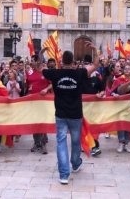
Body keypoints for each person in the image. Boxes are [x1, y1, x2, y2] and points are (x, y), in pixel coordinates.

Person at [42, 45, 99, 185]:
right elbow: (96, 64)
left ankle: (63, 175)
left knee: (61, 143)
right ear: (73, 62)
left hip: (61, 114)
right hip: (75, 114)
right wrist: (94, 49)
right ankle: (75, 163)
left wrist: (40, 54)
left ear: (61, 61)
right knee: (75, 142)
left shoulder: (55, 73)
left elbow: (40, 68)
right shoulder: (79, 73)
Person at [27, 54, 52, 154]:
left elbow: (51, 83)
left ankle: (43, 143)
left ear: (37, 61)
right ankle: (36, 142)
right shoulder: (29, 72)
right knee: (34, 121)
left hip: (43, 101)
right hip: (32, 101)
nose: (31, 62)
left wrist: (46, 89)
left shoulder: (45, 72)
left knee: (42, 121)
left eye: (33, 60)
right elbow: (28, 83)